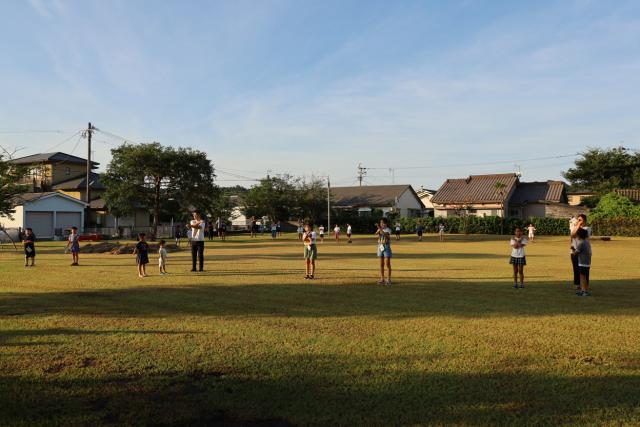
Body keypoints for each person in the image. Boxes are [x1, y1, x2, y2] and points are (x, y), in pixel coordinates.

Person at [570, 214, 590, 290]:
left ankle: (585, 285)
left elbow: (581, 234)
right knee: (576, 268)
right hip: (574, 251)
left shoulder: (587, 228)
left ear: (584, 220)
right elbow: (573, 234)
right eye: (578, 219)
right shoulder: (574, 227)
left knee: (584, 270)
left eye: (580, 220)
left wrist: (578, 225)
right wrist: (577, 225)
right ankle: (577, 284)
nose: (579, 221)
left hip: (583, 253)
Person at [573, 227, 592, 297]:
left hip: (582, 263)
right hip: (587, 263)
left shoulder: (581, 243)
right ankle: (583, 290)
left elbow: (576, 253)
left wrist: (573, 250)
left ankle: (584, 291)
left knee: (582, 277)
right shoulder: (587, 242)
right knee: (584, 277)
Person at [376, 218, 393, 285]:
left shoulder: (388, 229)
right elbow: (375, 234)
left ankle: (388, 279)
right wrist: (379, 229)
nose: (381, 224)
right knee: (381, 264)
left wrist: (380, 229)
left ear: (386, 223)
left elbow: (387, 237)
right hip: (380, 247)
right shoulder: (380, 229)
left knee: (387, 264)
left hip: (386, 247)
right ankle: (382, 279)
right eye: (380, 223)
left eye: (383, 223)